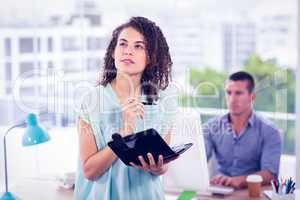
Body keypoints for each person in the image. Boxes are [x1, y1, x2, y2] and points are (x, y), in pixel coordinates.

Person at [74, 16, 178, 200]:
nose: (128, 51)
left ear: (150, 57)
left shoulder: (163, 101)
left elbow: (162, 167)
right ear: (113, 52)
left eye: (138, 46)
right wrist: (123, 133)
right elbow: (90, 171)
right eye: (123, 44)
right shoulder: (91, 100)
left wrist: (158, 167)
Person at [203, 71, 281, 189]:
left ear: (252, 97)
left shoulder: (270, 131)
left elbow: (270, 174)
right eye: (229, 93)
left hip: (252, 191)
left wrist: (240, 181)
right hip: (220, 190)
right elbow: (199, 160)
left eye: (238, 93)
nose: (232, 99)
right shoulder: (211, 127)